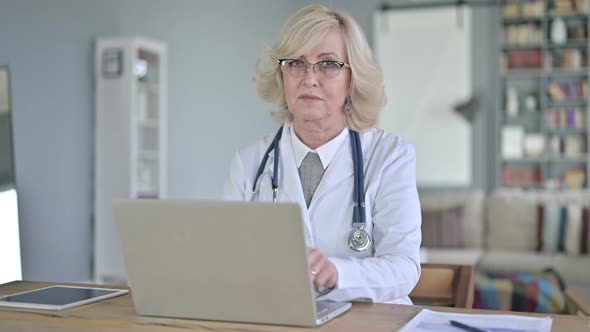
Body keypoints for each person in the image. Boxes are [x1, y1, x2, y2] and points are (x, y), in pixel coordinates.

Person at [223, 4, 421, 304]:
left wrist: (338, 274)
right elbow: (226, 260)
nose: (309, 78)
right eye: (296, 63)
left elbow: (404, 268)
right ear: (282, 75)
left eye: (328, 64)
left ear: (352, 79)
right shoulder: (249, 162)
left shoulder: (391, 156)